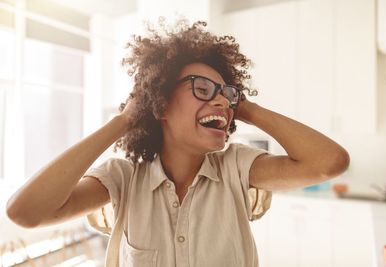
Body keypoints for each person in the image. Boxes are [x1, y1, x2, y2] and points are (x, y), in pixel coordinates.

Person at [6, 19, 350, 267]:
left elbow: (329, 162)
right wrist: (124, 119)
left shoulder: (237, 167)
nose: (221, 103)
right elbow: (25, 212)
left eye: (227, 95)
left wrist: (247, 107)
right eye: (202, 89)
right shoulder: (123, 179)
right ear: (161, 104)